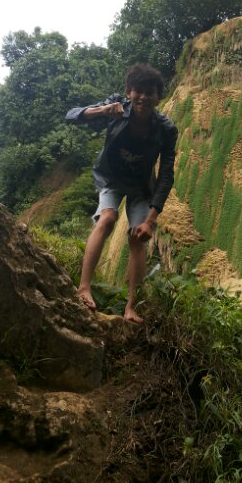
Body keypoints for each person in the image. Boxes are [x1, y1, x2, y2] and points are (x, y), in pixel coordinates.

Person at [65, 63, 177, 322]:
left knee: (138, 237)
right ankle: (83, 288)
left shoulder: (166, 129)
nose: (143, 97)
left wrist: (151, 220)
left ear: (158, 96)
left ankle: (131, 307)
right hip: (111, 177)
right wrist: (102, 110)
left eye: (150, 92)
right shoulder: (116, 107)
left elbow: (166, 174)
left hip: (140, 187)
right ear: (128, 92)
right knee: (107, 218)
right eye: (137, 91)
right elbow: (71, 115)